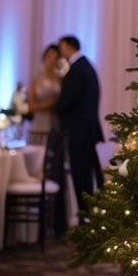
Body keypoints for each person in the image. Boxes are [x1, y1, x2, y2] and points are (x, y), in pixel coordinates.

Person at [57, 35, 104, 213]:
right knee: (91, 174)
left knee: (81, 176)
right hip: (87, 130)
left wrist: (57, 107)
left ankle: (85, 217)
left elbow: (67, 100)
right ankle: (91, 215)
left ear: (68, 47)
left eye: (62, 48)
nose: (61, 52)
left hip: (79, 132)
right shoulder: (86, 66)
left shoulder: (77, 70)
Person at [27, 43, 62, 133]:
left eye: (55, 57)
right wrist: (48, 104)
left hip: (55, 120)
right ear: (44, 57)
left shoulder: (61, 78)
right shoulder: (36, 78)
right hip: (39, 121)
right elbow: (31, 105)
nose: (51, 60)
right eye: (49, 56)